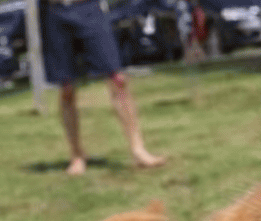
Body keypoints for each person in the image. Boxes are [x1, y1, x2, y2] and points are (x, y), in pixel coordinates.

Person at [38, 0, 167, 174]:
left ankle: (139, 150)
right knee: (67, 87)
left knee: (118, 80)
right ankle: (76, 155)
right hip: (55, 12)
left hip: (88, 8)